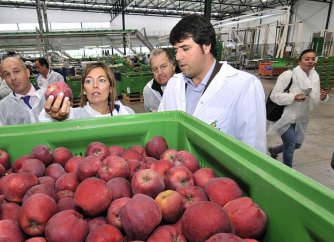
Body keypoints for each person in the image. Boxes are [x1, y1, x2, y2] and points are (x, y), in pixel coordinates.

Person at [158, 14, 266, 153]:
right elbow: (162, 132)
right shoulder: (173, 84)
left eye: (185, 49)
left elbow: (254, 150)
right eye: (176, 50)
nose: (178, 57)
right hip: (177, 170)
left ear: (206, 46)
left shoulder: (244, 86)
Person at [267, 49, 329, 167]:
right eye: (307, 59)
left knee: (297, 144)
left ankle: (274, 151)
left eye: (313, 59)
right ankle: (288, 173)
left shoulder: (314, 77)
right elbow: (275, 96)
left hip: (301, 117)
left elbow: (314, 98)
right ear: (299, 61)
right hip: (285, 116)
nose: (310, 61)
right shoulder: (288, 75)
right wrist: (293, 97)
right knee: (290, 145)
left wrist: (322, 97)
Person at [40, 62, 135, 121]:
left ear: (110, 88)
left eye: (101, 80)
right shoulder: (74, 116)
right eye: (89, 81)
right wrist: (53, 115)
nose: (95, 85)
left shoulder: (126, 113)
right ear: (84, 90)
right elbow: (44, 120)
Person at [0, 56, 46, 125]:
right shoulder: (1, 108)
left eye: (16, 71)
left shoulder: (48, 96)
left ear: (27, 72)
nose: (13, 78)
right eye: (7, 74)